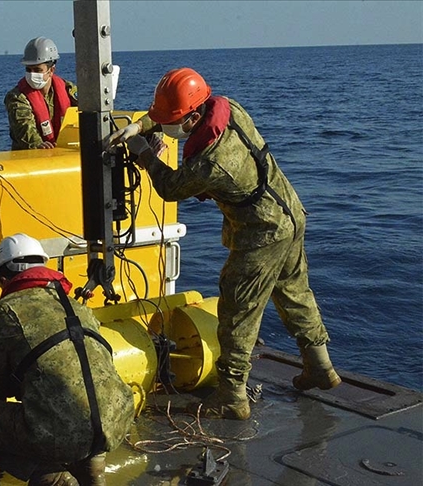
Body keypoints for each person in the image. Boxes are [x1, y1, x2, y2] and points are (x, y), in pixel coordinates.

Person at [105, 67, 341, 420]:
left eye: (174, 121)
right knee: (294, 291)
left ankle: (231, 395)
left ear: (194, 117)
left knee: (237, 310)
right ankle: (320, 366)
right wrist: (141, 125)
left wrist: (143, 151)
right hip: (290, 214)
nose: (169, 128)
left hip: (261, 232)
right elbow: (176, 118)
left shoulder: (213, 162)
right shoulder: (229, 108)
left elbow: (171, 187)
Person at [0, 233, 134, 485]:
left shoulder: (3, 312)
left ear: (4, 278)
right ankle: (92, 469)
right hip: (115, 422)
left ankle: (50, 477)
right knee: (80, 411)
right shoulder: (77, 306)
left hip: (62, 432)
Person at [4, 37, 78, 150]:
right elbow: (23, 126)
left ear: (51, 70)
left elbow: (86, 109)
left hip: (63, 152)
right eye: (29, 70)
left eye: (37, 70)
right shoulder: (17, 97)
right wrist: (37, 144)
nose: (32, 74)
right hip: (31, 158)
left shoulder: (68, 89)